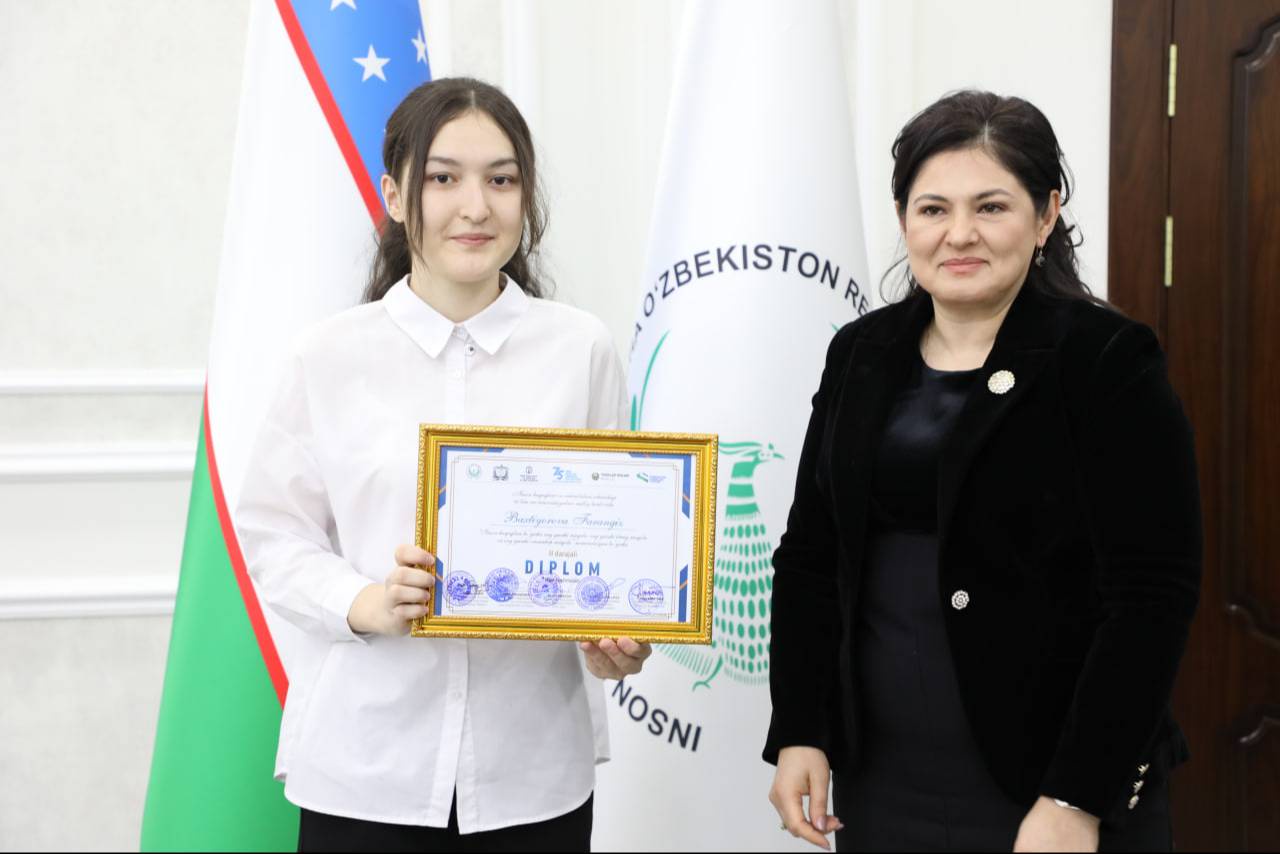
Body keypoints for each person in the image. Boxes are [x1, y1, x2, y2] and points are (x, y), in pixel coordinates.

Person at [764, 90, 1201, 852]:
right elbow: (811, 556)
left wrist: (1075, 795)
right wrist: (802, 725)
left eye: (991, 207)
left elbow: (1151, 598)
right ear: (903, 218)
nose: (959, 233)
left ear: (1046, 214)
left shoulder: (1107, 360)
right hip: (884, 783)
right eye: (933, 209)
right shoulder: (861, 353)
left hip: (1051, 790)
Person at [236, 77, 651, 853]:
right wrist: (364, 600)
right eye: (443, 178)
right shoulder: (328, 356)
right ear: (395, 196)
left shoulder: (580, 349)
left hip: (532, 776)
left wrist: (614, 635)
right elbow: (272, 533)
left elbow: (611, 538)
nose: (475, 206)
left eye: (502, 179)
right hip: (367, 768)